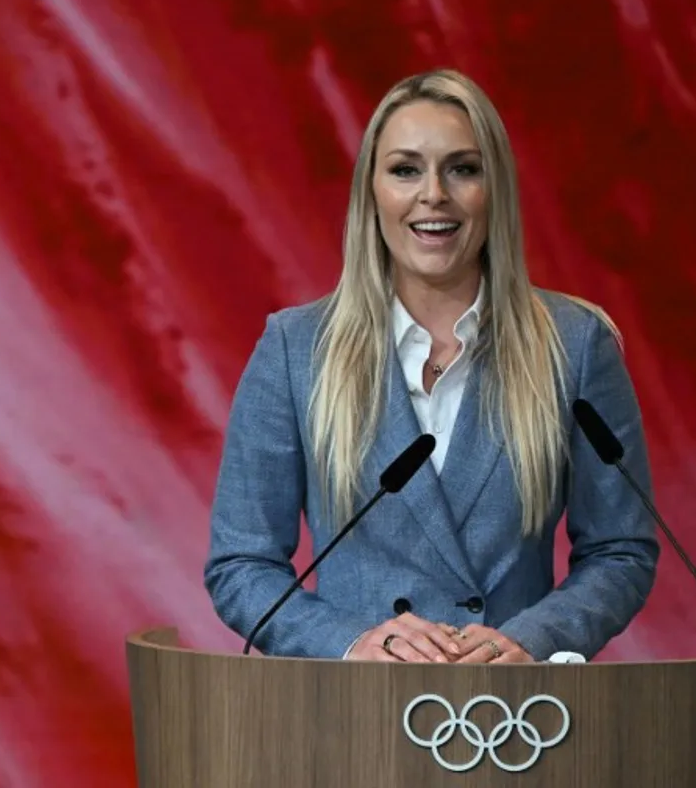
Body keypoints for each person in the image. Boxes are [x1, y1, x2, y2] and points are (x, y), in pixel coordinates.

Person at [204, 68, 659, 663]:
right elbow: (242, 564)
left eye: (463, 169)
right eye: (405, 169)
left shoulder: (574, 345)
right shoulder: (296, 350)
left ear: (494, 189)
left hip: (512, 719)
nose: (434, 194)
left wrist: (535, 639)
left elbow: (621, 549)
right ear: (372, 190)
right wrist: (349, 643)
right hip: (350, 721)